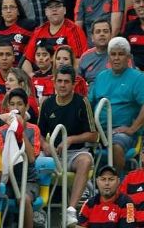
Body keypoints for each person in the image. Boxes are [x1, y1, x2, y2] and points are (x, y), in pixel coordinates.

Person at [38, 64, 98, 225]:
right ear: (54, 82)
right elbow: (39, 134)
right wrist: (45, 145)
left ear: (73, 84)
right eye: (59, 81)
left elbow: (94, 135)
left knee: (86, 161)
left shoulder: (82, 102)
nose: (63, 85)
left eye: (66, 81)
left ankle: (71, 210)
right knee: (33, 160)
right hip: (53, 155)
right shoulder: (47, 104)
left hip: (75, 153)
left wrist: (71, 139)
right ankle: (38, 208)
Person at [89, 37, 144, 172]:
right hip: (98, 130)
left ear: (129, 57)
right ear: (108, 57)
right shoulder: (101, 76)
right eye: (113, 54)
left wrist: (132, 129)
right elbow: (89, 103)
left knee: (116, 147)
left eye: (121, 54)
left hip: (122, 131)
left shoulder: (138, 77)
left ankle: (118, 183)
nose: (116, 58)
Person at [0, 89, 42, 228]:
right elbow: (3, 156)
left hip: (29, 180)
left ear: (26, 107)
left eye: (20, 104)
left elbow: (32, 158)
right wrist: (12, 130)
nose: (16, 108)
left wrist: (20, 130)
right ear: (8, 108)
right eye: (12, 104)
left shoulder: (33, 129)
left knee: (24, 199)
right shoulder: (1, 130)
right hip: (9, 180)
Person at [22, 0, 88, 74]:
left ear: (64, 10)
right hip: (40, 79)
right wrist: (32, 77)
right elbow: (27, 61)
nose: (54, 9)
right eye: (50, 7)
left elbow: (79, 60)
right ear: (46, 12)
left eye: (58, 6)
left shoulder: (74, 30)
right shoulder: (38, 31)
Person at [0, 0, 36, 65]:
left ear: (18, 11)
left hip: (19, 69)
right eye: (5, 8)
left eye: (12, 7)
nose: (8, 11)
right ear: (1, 12)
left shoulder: (28, 26)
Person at [78, 18, 114, 85]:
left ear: (111, 35)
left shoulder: (121, 54)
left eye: (105, 31)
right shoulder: (85, 57)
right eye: (98, 32)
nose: (102, 34)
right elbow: (78, 82)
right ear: (92, 37)